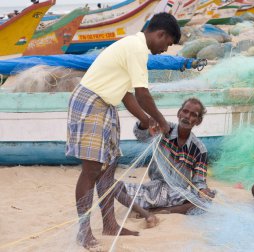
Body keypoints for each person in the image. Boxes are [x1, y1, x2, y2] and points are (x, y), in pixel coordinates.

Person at [65, 13, 181, 249]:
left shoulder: (133, 48)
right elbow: (142, 94)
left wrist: (147, 120)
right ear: (161, 34)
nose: (165, 50)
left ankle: (110, 224)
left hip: (107, 105)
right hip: (91, 102)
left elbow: (128, 96)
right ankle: (83, 231)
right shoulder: (136, 48)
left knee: (109, 168)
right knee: (92, 170)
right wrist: (162, 121)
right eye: (167, 44)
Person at [115, 98, 215, 215]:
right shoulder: (163, 128)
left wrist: (203, 191)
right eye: (185, 111)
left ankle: (156, 212)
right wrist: (146, 123)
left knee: (204, 203)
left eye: (193, 115)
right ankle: (153, 210)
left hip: (177, 195)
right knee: (115, 186)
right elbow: (141, 135)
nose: (187, 116)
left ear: (198, 121)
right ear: (179, 113)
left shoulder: (200, 150)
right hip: (153, 189)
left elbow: (198, 182)